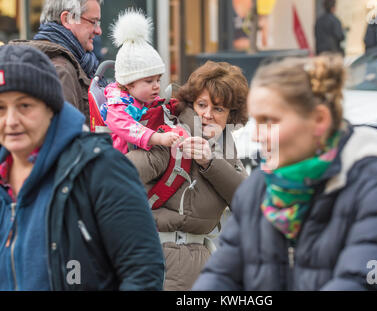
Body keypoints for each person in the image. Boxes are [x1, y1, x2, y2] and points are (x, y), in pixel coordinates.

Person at [193, 55, 377, 291]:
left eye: (269, 120)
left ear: (319, 120)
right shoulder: (258, 189)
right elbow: (222, 275)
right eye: (256, 120)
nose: (256, 135)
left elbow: (370, 281)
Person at [0, 44, 165, 291]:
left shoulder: (101, 168)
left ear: (51, 107)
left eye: (25, 106)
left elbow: (143, 270)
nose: (11, 121)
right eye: (1, 108)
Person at [126, 61, 249, 290]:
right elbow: (127, 171)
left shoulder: (225, 147)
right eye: (202, 105)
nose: (208, 115)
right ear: (191, 103)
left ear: (231, 115)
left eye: (219, 109)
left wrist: (210, 162)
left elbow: (247, 199)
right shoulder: (171, 135)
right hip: (162, 257)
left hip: (200, 262)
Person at [9, 0, 103, 122]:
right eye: (93, 22)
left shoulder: (45, 60)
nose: (98, 30)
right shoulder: (61, 69)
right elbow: (65, 134)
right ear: (67, 19)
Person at [101, 9, 179, 154]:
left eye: (158, 80)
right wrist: (158, 138)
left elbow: (153, 106)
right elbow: (127, 126)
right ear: (129, 83)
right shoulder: (118, 106)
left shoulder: (139, 97)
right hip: (122, 158)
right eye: (149, 81)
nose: (156, 86)